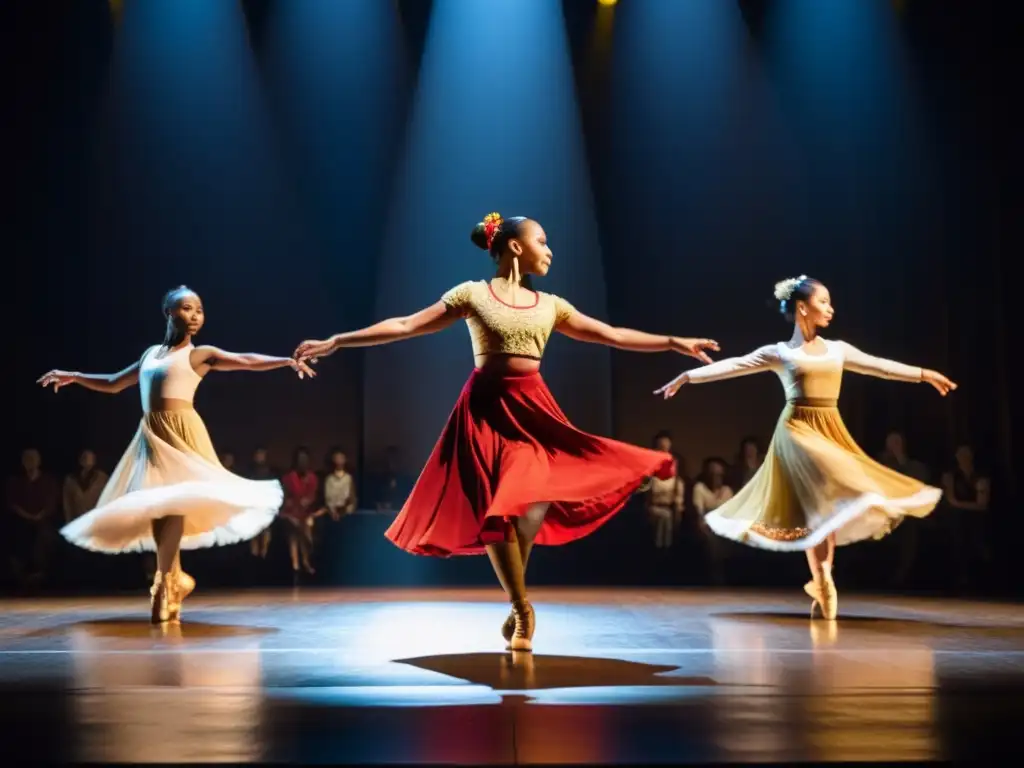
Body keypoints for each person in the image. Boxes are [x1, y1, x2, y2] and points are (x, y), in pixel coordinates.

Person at [295, 213, 718, 651]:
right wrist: (338, 340)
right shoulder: (472, 295)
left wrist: (672, 341)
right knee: (496, 515)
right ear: (516, 246)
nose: (550, 248)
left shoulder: (552, 305)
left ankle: (517, 600)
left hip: (531, 413)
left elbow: (610, 334)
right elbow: (405, 325)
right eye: (542, 240)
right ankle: (521, 608)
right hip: (483, 414)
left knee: (528, 510)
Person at [655, 275, 956, 620]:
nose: (831, 308)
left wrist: (923, 373)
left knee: (820, 513)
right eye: (824, 301)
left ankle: (823, 580)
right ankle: (824, 578)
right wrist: (688, 377)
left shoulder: (838, 350)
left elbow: (881, 367)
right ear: (803, 308)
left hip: (830, 428)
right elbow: (734, 365)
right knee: (822, 492)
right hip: (796, 431)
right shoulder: (780, 353)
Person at [37, 285, 314, 623]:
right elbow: (113, 383)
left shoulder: (200, 354)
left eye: (199, 309)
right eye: (186, 308)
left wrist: (285, 361)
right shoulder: (151, 354)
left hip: (182, 432)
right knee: (160, 505)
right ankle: (174, 579)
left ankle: (164, 583)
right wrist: (75, 376)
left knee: (175, 500)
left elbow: (244, 361)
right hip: (152, 435)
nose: (194, 315)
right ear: (168, 312)